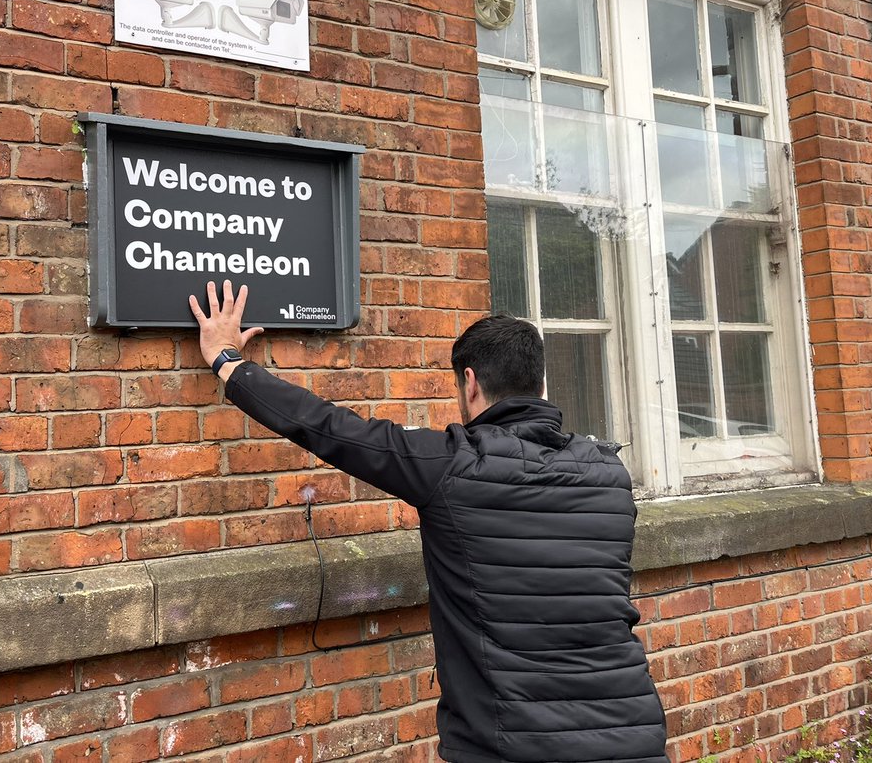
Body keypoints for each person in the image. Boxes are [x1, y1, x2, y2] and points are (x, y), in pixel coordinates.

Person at [189, 280, 667, 763]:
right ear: (540, 385)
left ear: (470, 383)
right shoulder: (609, 473)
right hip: (632, 736)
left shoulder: (452, 467)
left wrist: (227, 360)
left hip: (512, 746)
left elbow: (329, 427)